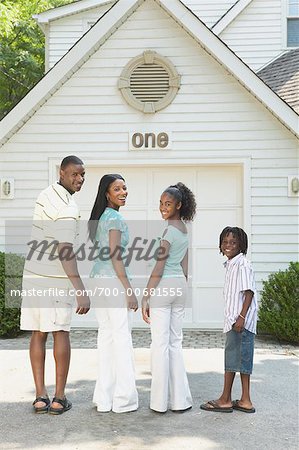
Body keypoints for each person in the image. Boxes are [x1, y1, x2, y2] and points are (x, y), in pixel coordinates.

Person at [20, 155, 90, 414]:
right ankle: (59, 398)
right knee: (60, 332)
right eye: (75, 174)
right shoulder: (68, 208)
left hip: (33, 275)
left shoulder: (45, 194)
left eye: (83, 175)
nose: (80, 179)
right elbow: (65, 251)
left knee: (38, 333)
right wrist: (80, 289)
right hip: (54, 280)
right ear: (61, 172)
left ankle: (40, 397)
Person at [141, 182, 196, 413]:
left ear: (179, 205)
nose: (163, 208)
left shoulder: (168, 232)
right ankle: (180, 401)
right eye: (161, 203)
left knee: (160, 345)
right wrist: (181, 286)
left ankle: (159, 403)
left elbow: (159, 267)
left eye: (168, 204)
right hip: (180, 287)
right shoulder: (184, 229)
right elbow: (184, 266)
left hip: (164, 287)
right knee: (175, 343)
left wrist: (146, 295)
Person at [88, 174, 138, 413]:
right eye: (117, 189)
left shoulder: (100, 218)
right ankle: (123, 400)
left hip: (97, 280)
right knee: (121, 339)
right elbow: (116, 257)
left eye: (125, 188)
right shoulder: (115, 218)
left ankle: (104, 399)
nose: (123, 192)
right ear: (107, 194)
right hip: (113, 282)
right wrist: (129, 290)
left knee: (106, 337)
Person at [200, 226, 257, 414]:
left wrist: (241, 317)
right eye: (225, 242)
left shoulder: (242, 264)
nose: (228, 245)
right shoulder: (231, 265)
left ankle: (225, 399)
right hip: (235, 321)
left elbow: (248, 292)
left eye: (233, 242)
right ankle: (244, 400)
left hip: (240, 322)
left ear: (241, 244)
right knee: (239, 359)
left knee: (234, 359)